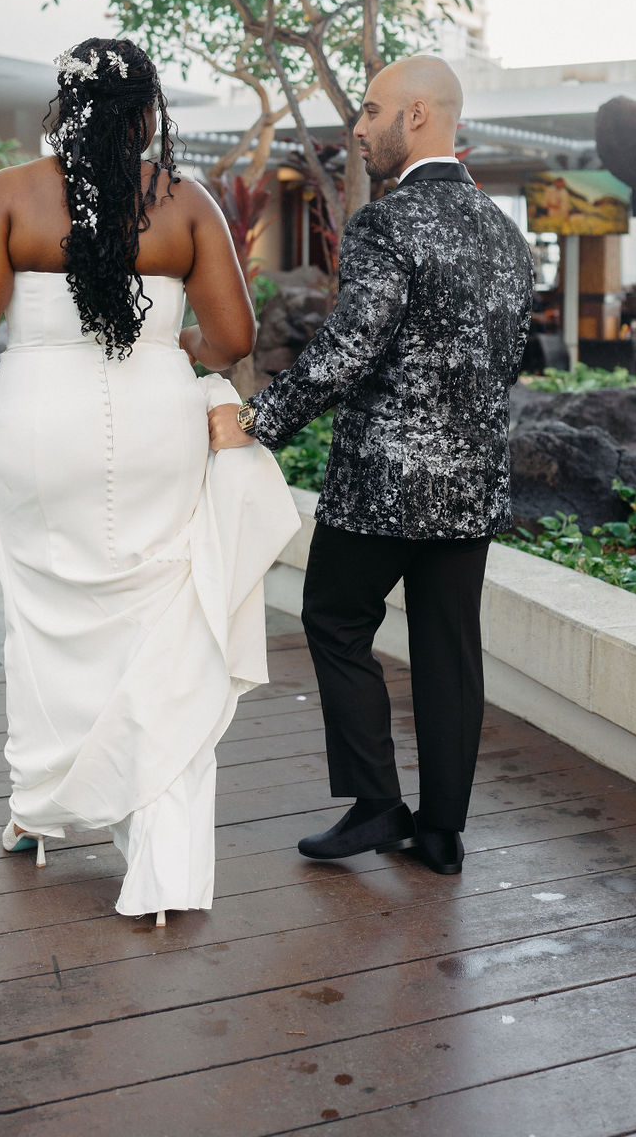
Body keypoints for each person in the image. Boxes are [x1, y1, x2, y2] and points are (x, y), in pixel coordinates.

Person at [0, 37, 298, 926]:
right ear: (150, 114)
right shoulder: (187, 203)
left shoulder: (10, 193)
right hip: (159, 425)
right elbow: (234, 341)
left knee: (44, 619)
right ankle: (158, 846)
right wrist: (168, 351)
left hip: (41, 427)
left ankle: (38, 807)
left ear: (62, 107)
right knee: (162, 618)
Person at [209, 55, 534, 876]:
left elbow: (352, 348)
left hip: (384, 486)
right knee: (450, 650)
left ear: (418, 114)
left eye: (372, 109)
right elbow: (504, 362)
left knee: (335, 619)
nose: (358, 126)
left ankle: (378, 805)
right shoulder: (506, 233)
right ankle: (442, 832)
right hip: (470, 487)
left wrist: (259, 419)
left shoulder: (387, 224)